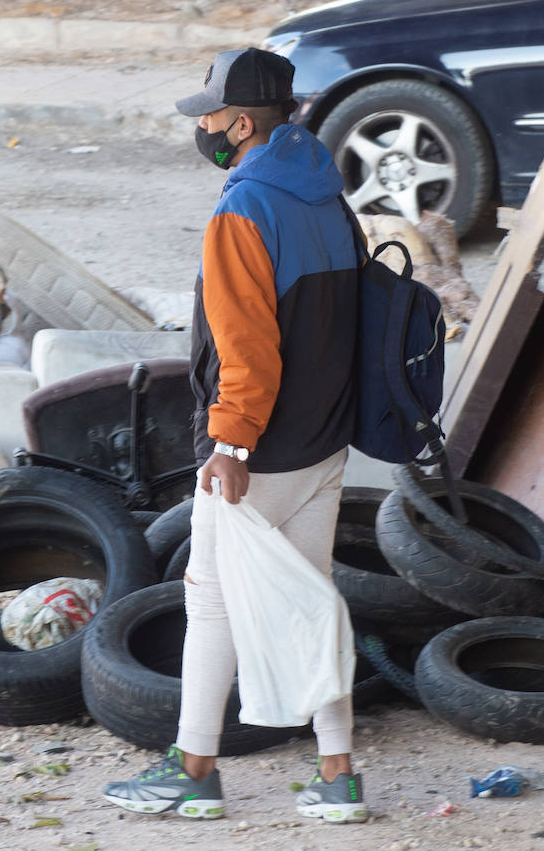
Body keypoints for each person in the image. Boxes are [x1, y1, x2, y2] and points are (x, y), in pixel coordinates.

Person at [101, 47, 365, 824]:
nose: (205, 127)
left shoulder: (243, 208)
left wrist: (231, 444)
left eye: (211, 115)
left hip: (263, 449)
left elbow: (248, 347)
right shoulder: (328, 195)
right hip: (325, 440)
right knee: (312, 600)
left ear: (242, 123)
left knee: (209, 599)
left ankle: (192, 770)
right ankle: (339, 776)